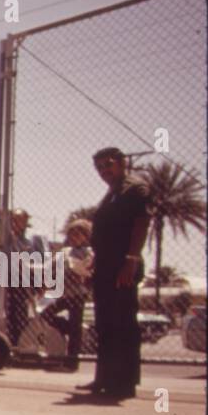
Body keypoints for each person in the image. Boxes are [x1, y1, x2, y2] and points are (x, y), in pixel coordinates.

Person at [77, 147, 151, 399]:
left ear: (121, 163)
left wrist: (131, 259)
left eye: (108, 165)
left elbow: (141, 223)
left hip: (123, 265)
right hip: (106, 266)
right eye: (99, 167)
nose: (103, 171)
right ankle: (104, 378)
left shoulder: (134, 188)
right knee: (105, 323)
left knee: (123, 323)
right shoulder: (111, 194)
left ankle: (124, 384)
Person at [39, 218, 94, 371]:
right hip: (66, 294)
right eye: (72, 234)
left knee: (75, 324)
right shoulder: (65, 251)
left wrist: (82, 270)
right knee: (46, 314)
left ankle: (72, 362)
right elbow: (53, 267)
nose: (74, 237)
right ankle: (68, 328)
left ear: (85, 236)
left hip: (78, 294)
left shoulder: (88, 252)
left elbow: (88, 269)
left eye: (78, 234)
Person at [3, 207, 48, 350]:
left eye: (20, 220)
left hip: (25, 279)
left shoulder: (32, 241)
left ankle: (21, 342)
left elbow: (40, 262)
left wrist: (41, 282)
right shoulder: (6, 239)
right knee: (9, 313)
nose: (16, 223)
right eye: (14, 220)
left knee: (22, 312)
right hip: (8, 278)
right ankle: (11, 342)